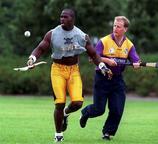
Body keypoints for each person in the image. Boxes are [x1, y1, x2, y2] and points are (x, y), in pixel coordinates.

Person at [27, 8, 112, 142]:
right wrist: (32, 59)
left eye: (65, 17)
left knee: (78, 103)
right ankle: (58, 134)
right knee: (59, 103)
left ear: (72, 19)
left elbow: (94, 54)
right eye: (61, 17)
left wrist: (102, 66)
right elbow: (40, 48)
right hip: (57, 70)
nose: (62, 19)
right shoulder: (53, 33)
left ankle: (66, 114)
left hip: (73, 70)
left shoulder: (81, 35)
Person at [80, 16, 141, 140]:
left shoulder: (129, 45)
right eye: (114, 25)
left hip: (117, 80)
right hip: (102, 77)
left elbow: (135, 59)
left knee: (117, 109)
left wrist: (137, 63)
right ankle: (85, 113)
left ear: (125, 29)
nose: (115, 28)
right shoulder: (104, 41)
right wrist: (107, 60)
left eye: (118, 26)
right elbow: (93, 57)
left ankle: (107, 133)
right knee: (99, 110)